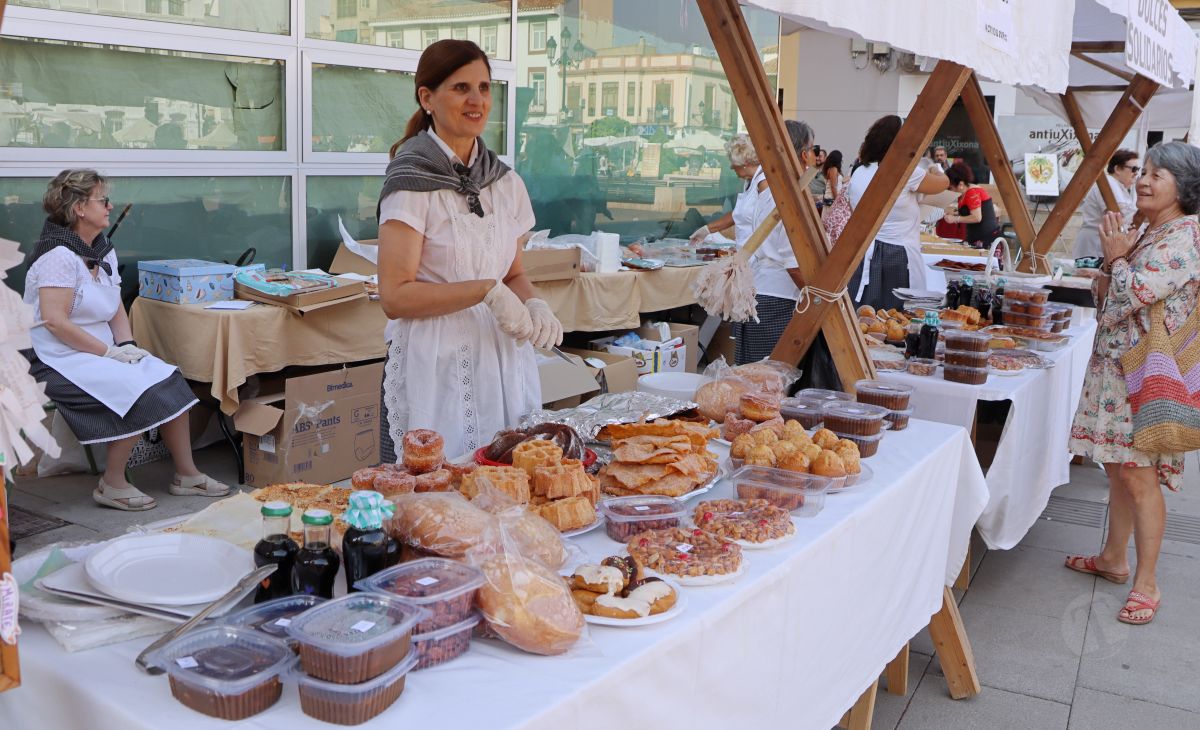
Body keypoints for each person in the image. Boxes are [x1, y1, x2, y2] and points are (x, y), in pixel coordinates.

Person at [376, 39, 563, 461]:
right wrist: (486, 291)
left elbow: (513, 273)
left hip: (502, 362)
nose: (477, 100)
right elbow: (395, 295)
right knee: (435, 500)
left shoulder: (504, 182)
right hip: (436, 366)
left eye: (484, 87)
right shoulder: (411, 181)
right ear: (427, 98)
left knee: (507, 485)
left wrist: (534, 304)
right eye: (461, 88)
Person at [22, 169, 230, 511]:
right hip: (55, 357)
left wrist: (128, 345)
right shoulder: (58, 255)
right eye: (102, 200)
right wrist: (109, 353)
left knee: (168, 376)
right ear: (78, 209)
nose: (109, 206)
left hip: (100, 351)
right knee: (136, 388)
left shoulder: (101, 250)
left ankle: (186, 475)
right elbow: (55, 322)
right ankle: (112, 484)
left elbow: (114, 304)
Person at [1066, 142, 1200, 626]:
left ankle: (1147, 583)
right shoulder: (1152, 231)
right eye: (1143, 170)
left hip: (1146, 378)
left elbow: (1136, 293)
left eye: (1157, 175)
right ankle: (1112, 559)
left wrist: (1116, 259)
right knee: (1120, 471)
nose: (1143, 180)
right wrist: (1112, 261)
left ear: (1183, 188)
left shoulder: (1185, 237)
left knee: (1140, 479)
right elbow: (1111, 294)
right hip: (1121, 372)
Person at [846, 115, 949, 310]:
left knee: (868, 315)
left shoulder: (859, 171)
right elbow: (943, 184)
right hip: (898, 253)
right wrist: (935, 167)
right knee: (899, 315)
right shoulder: (904, 171)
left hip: (866, 249)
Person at [732, 120, 813, 365]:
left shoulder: (769, 187)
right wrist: (819, 299)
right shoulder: (783, 194)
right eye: (810, 150)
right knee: (766, 382)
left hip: (758, 291)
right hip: (776, 298)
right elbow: (793, 264)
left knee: (751, 377)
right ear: (803, 154)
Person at [689, 133, 760, 245]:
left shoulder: (764, 183)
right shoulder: (748, 181)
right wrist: (707, 229)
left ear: (744, 163)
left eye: (732, 163)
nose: (731, 167)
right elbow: (738, 213)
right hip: (744, 249)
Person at [1071, 148, 1140, 260]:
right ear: (1117, 169)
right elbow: (1120, 213)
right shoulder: (1108, 183)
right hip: (1094, 246)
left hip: (1100, 245)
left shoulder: (1120, 187)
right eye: (1134, 169)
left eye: (1138, 169)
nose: (1136, 173)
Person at [942, 161, 1000, 246]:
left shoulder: (972, 192)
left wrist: (955, 219)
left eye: (951, 188)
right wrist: (954, 214)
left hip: (986, 239)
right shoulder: (963, 193)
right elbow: (969, 211)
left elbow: (977, 217)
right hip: (976, 237)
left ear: (961, 184)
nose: (950, 191)